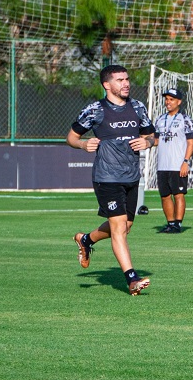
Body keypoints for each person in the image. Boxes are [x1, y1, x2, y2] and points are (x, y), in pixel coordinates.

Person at [67, 65, 156, 296]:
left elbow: (151, 136)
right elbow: (72, 137)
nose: (126, 83)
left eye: (127, 79)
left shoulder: (137, 107)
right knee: (118, 228)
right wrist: (83, 144)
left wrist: (146, 142)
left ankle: (86, 240)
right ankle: (132, 279)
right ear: (107, 85)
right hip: (107, 177)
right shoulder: (95, 110)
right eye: (119, 80)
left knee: (126, 227)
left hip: (131, 176)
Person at [153, 87, 193, 233]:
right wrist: (144, 141)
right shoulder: (160, 119)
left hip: (178, 164)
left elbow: (191, 143)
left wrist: (186, 161)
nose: (168, 102)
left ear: (179, 101)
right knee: (165, 196)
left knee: (178, 195)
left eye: (171, 99)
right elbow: (157, 140)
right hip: (162, 165)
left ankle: (178, 224)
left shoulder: (185, 119)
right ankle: (170, 223)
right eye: (166, 99)